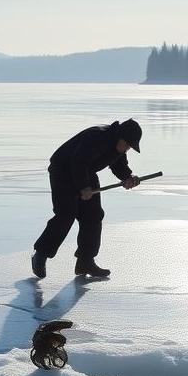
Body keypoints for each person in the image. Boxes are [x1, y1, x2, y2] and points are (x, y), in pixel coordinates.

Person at [31, 119, 143, 279]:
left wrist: (128, 177)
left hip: (86, 172)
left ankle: (85, 261)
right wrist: (84, 187)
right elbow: (78, 161)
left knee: (93, 215)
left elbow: (118, 165)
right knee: (66, 215)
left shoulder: (118, 147)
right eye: (127, 145)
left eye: (129, 147)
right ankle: (41, 255)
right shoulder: (98, 137)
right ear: (120, 137)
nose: (127, 149)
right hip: (63, 170)